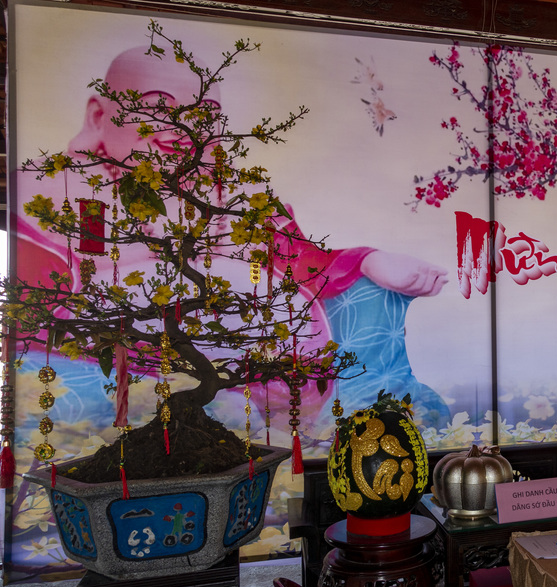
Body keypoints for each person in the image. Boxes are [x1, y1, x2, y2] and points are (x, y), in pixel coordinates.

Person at [15, 44, 451, 434]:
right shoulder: (60, 190)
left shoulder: (240, 194)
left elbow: (300, 259)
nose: (183, 126)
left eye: (203, 113)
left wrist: (369, 261)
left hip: (263, 366)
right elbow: (39, 300)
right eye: (158, 106)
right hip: (131, 364)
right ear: (99, 115)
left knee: (368, 300)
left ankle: (359, 419)